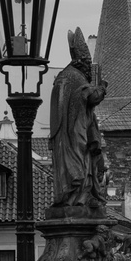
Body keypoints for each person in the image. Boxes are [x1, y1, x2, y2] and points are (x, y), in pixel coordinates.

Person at [49, 28, 107, 210]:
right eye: (88, 64)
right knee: (82, 164)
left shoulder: (63, 76)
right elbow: (91, 97)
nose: (89, 69)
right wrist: (102, 87)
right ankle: (80, 198)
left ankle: (74, 197)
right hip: (74, 133)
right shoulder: (75, 77)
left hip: (64, 133)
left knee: (74, 165)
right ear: (82, 62)